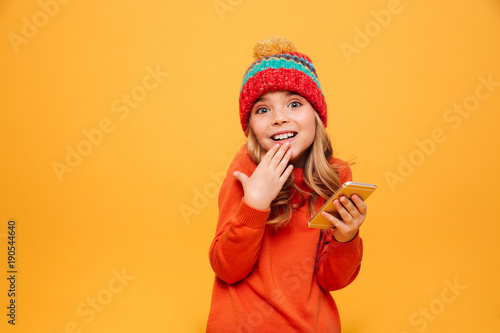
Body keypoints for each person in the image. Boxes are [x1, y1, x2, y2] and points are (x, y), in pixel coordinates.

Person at [207, 36, 367, 332]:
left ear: (317, 114)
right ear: (251, 126)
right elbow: (227, 269)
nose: (279, 119)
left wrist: (347, 238)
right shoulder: (245, 169)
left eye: (294, 104)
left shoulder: (336, 176)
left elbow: (333, 280)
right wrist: (254, 205)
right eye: (263, 109)